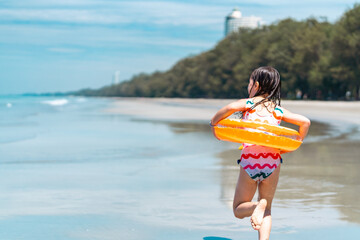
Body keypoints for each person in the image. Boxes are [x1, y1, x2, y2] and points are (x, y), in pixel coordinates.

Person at [210, 66, 310, 240]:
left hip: (250, 159)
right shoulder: (277, 110)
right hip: (272, 161)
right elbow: (305, 122)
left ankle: (257, 205)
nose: (248, 86)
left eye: (249, 82)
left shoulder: (248, 104)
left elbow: (229, 108)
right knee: (268, 209)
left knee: (238, 208)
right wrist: (292, 144)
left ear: (255, 85)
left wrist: (213, 124)